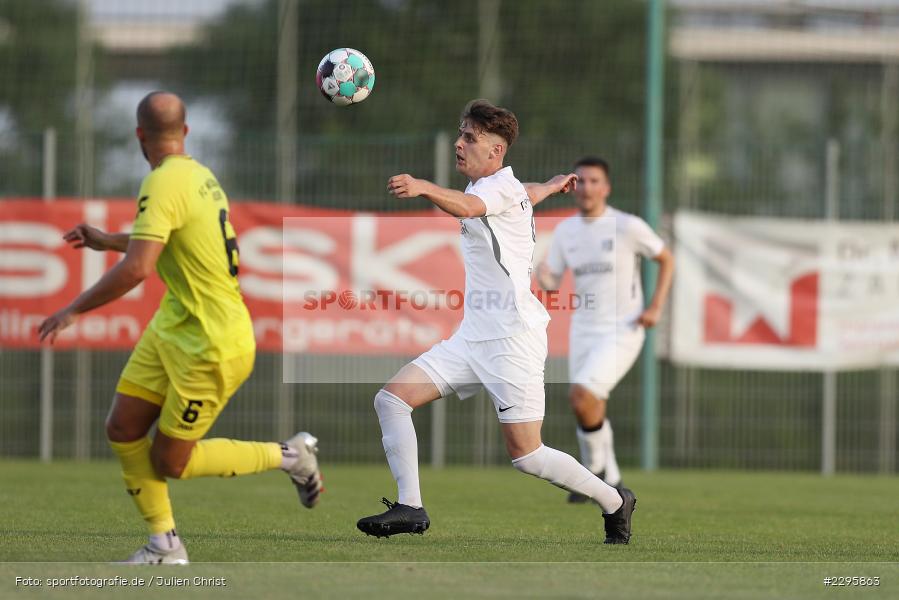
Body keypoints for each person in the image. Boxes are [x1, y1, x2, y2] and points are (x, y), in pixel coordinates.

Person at [38, 91, 323, 564]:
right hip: (174, 325)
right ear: (185, 132)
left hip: (212, 342)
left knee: (169, 462)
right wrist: (108, 239)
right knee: (123, 427)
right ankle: (165, 546)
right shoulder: (197, 175)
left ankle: (290, 457)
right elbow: (160, 239)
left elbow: (138, 269)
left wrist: (74, 310)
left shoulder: (164, 181)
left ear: (138, 136)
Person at [355, 100, 637, 544]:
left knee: (527, 455)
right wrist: (552, 183)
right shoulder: (510, 188)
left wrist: (424, 186)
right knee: (390, 400)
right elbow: (529, 192)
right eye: (461, 133)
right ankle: (411, 506)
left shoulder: (492, 190)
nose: (459, 143)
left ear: (496, 152)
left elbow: (469, 207)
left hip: (513, 340)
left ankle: (615, 501)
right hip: (472, 338)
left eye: (470, 137)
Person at [536, 156, 674, 501]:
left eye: (594, 181)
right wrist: (542, 275)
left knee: (582, 395)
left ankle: (594, 470)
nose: (586, 187)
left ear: (607, 188)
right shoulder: (567, 230)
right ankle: (610, 479)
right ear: (573, 187)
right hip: (583, 328)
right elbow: (552, 279)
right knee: (589, 403)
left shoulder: (627, 225)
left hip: (623, 328)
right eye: (580, 181)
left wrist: (656, 306)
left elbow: (666, 258)